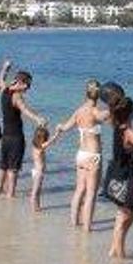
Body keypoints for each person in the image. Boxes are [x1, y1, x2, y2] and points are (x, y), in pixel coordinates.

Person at [51, 80, 110, 231]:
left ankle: (74, 223)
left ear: (86, 93)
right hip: (93, 155)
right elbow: (107, 115)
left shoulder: (79, 111)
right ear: (99, 96)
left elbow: (64, 127)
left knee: (79, 190)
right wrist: (113, 103)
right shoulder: (95, 111)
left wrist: (58, 128)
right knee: (91, 193)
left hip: (81, 155)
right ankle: (86, 228)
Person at [104, 95, 133, 259]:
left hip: (118, 173)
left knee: (130, 212)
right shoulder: (128, 131)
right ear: (130, 113)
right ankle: (119, 253)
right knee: (124, 215)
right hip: (125, 177)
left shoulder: (117, 126)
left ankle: (115, 248)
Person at [0, 63, 47, 197]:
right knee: (13, 169)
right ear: (21, 82)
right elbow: (24, 110)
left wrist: (5, 68)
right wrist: (38, 119)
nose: (28, 88)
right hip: (16, 138)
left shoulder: (4, 90)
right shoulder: (17, 96)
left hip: (5, 137)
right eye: (28, 85)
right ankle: (10, 196)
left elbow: (1, 79)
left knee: (3, 167)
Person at [30, 126, 58, 212]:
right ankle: (33, 207)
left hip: (36, 171)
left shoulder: (35, 146)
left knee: (38, 190)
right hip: (39, 172)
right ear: (43, 139)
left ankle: (37, 206)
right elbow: (51, 142)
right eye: (46, 138)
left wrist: (43, 126)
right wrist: (57, 133)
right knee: (35, 191)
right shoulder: (40, 148)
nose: (47, 139)